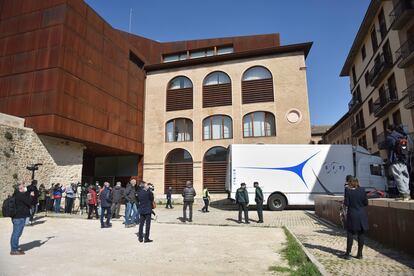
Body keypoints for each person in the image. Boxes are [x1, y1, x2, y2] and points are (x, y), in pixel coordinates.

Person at [340, 178, 369, 260]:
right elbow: (366, 203)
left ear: (349, 183)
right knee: (361, 234)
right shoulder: (363, 190)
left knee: (350, 234)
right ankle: (360, 254)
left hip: (352, 215)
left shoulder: (348, 191)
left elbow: (346, 203)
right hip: (362, 214)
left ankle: (348, 254)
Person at [386, 125, 411, 200]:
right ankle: (407, 192)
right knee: (405, 176)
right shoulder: (403, 136)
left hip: (395, 159)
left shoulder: (390, 137)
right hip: (403, 159)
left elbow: (388, 146)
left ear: (389, 130)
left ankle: (404, 194)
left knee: (398, 177)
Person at [10, 182, 33, 255]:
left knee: (17, 233)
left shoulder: (16, 194)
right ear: (20, 189)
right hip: (19, 217)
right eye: (23, 187)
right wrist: (31, 196)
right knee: (16, 233)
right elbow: (29, 202)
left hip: (17, 217)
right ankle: (14, 249)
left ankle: (15, 247)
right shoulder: (20, 195)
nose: (24, 188)